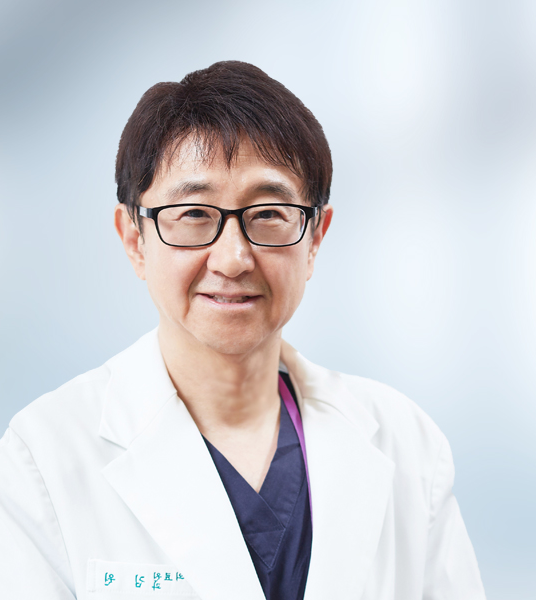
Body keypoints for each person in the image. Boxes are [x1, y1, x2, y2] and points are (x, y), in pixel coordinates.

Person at [0, 61, 485, 600]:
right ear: (135, 239)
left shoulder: (407, 445)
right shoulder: (43, 456)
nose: (232, 259)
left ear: (315, 238)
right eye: (193, 214)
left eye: (268, 213)